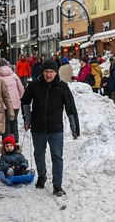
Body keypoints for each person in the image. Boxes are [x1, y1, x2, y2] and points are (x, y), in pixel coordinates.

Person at [21, 59, 78, 197]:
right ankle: (42, 176)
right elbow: (25, 101)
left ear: (56, 73)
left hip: (56, 129)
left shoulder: (62, 86)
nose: (48, 75)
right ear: (42, 72)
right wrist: (27, 119)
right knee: (39, 155)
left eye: (51, 72)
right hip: (38, 128)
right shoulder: (34, 85)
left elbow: (71, 108)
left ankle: (57, 186)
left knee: (57, 157)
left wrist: (75, 129)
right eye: (46, 71)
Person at [0, 58, 24, 142]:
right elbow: (21, 88)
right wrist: (21, 99)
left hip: (4, 103)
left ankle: (7, 140)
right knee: (14, 120)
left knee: (6, 121)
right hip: (15, 103)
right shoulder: (14, 75)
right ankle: (15, 139)